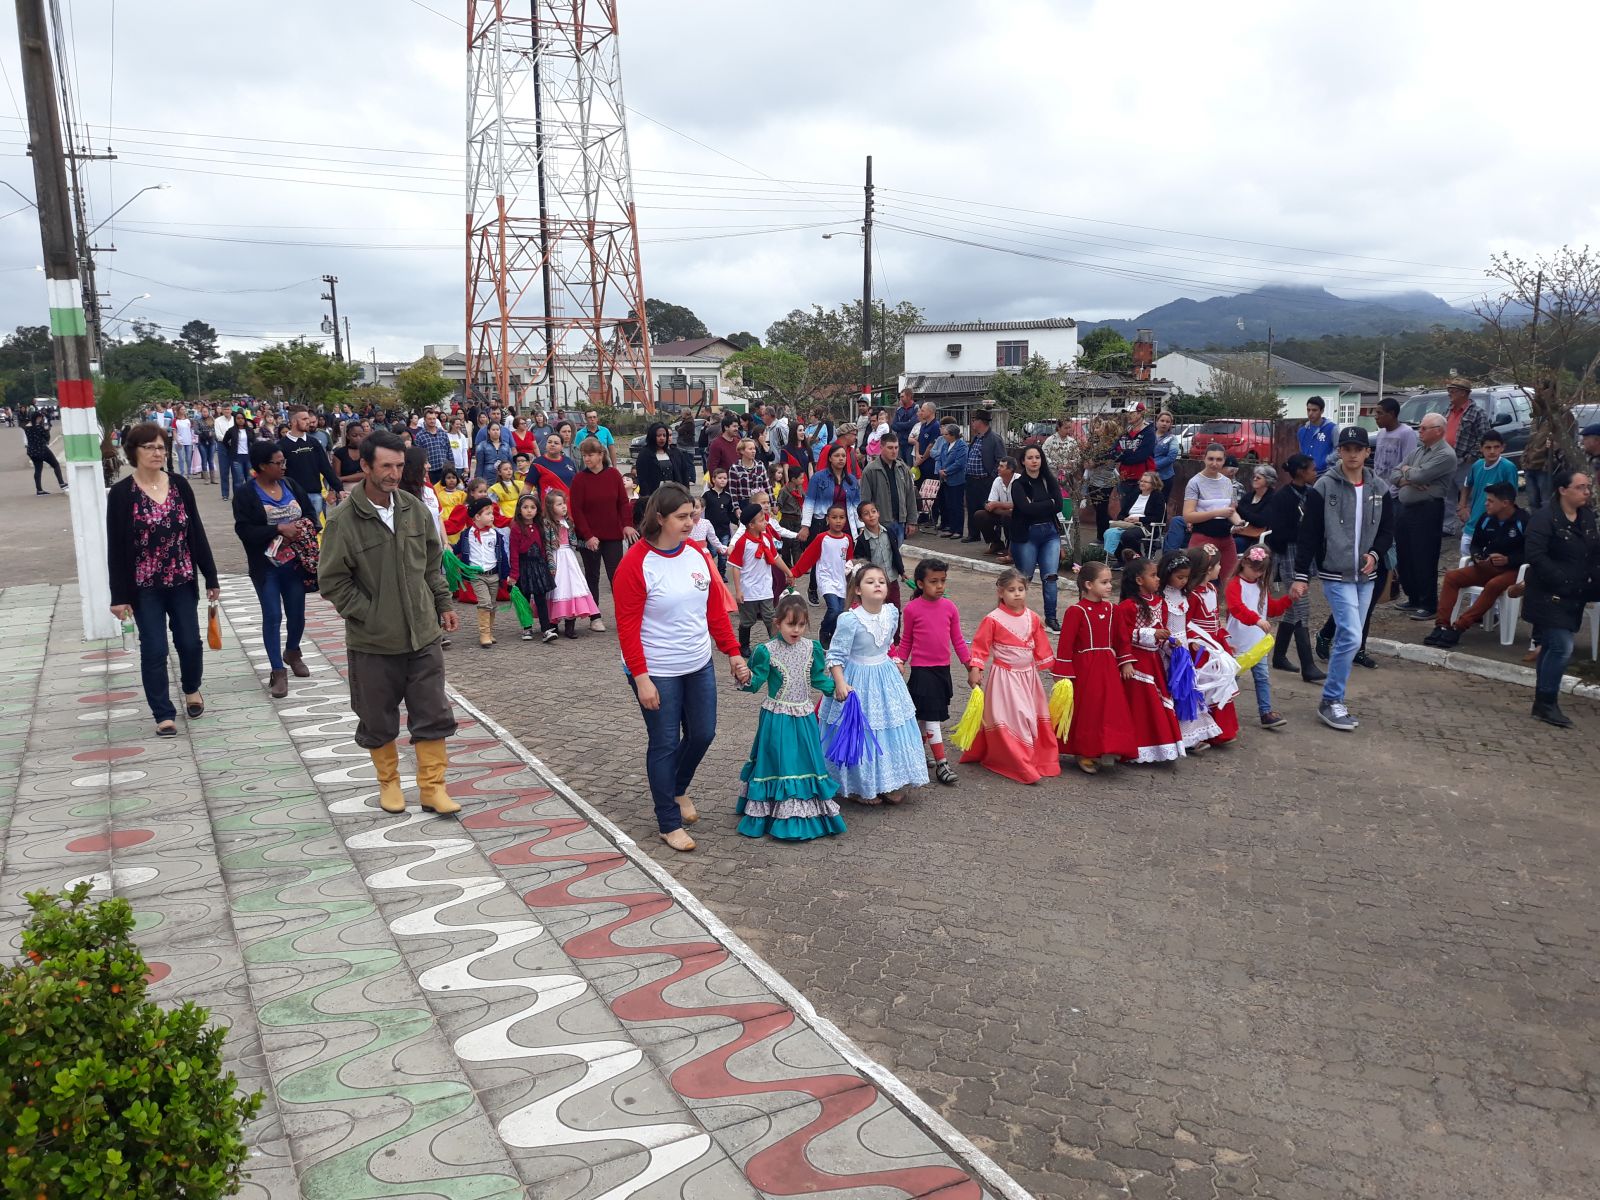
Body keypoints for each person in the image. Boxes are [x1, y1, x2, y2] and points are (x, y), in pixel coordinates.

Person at [318, 429, 462, 817]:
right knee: (377, 717)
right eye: (386, 466)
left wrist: (443, 603)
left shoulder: (414, 509)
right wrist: (368, 612)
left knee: (433, 712)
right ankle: (390, 785)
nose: (394, 474)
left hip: (423, 634)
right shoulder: (344, 520)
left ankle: (433, 788)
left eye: (399, 466)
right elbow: (331, 580)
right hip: (373, 641)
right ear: (365, 466)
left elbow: (432, 563)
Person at [614, 482, 750, 851]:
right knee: (664, 743)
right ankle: (667, 821)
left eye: (693, 515)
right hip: (657, 668)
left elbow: (714, 612)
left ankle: (675, 789)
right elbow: (627, 629)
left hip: (697, 663)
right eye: (682, 517)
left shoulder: (696, 555)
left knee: (703, 733)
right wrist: (641, 679)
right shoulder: (635, 563)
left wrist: (733, 653)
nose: (691, 522)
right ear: (659, 519)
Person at [106, 422, 221, 736]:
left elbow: (195, 532)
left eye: (161, 447)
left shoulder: (180, 485)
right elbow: (115, 548)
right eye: (150, 447)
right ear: (134, 451)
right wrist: (119, 597)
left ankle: (191, 688)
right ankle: (163, 713)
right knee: (154, 648)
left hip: (182, 580)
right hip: (144, 588)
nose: (158, 452)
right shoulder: (121, 494)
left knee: (189, 642)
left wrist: (211, 577)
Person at [1291, 426, 1395, 733]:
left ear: (1367, 452)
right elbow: (1308, 534)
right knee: (1350, 635)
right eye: (1346, 448)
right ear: (1340, 452)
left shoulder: (1380, 488)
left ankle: (1334, 698)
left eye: (1357, 449)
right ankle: (1331, 700)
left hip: (1366, 575)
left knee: (1352, 638)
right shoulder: (1324, 487)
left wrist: (1375, 554)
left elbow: (1388, 530)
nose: (1351, 454)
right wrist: (1300, 574)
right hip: (1335, 573)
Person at [733, 593, 848, 842]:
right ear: (777, 624)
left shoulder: (812, 648)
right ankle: (773, 812)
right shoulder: (767, 651)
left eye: (801, 624)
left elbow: (817, 679)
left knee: (805, 763)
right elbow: (755, 683)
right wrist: (744, 676)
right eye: (790, 624)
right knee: (779, 762)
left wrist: (837, 689)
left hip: (804, 717)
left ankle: (805, 813)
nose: (796, 630)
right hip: (777, 719)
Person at [818, 562, 928, 805]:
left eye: (880, 581)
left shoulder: (891, 612)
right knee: (862, 731)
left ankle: (889, 783)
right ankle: (861, 787)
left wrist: (896, 659)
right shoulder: (849, 619)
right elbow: (835, 656)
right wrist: (839, 683)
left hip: (885, 678)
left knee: (890, 727)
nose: (877, 584)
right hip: (857, 680)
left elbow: (888, 644)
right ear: (858, 590)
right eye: (870, 581)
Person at [233, 441, 317, 698]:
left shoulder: (291, 485)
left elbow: (312, 515)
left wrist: (301, 529)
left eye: (284, 462)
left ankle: (292, 651)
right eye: (278, 463)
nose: (283, 466)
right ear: (261, 466)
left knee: (297, 616)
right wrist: (277, 529)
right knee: (272, 616)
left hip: (295, 564)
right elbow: (243, 530)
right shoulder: (246, 493)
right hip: (266, 566)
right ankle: (277, 671)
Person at [962, 568, 1060, 784]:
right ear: (1000, 592)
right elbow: (980, 647)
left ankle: (1035, 758)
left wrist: (1055, 672)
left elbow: (1042, 647)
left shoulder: (1033, 618)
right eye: (1011, 590)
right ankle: (1019, 764)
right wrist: (976, 669)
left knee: (1030, 716)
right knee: (1015, 717)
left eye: (1021, 589)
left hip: (1029, 678)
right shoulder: (993, 619)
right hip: (1005, 678)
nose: (1017, 594)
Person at [1520, 469, 1597, 728]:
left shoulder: (1586, 517)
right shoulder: (1544, 519)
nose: (1586, 492)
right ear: (1563, 490)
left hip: (1575, 593)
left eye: (1587, 487)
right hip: (1547, 593)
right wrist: (1561, 580)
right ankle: (1547, 703)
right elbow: (1535, 555)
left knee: (1553, 647)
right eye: (1580, 487)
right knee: (1562, 647)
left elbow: (1593, 551)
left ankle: (1541, 702)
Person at [1051, 560, 1138, 773]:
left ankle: (1108, 746)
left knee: (1109, 709)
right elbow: (1066, 645)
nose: (1110, 586)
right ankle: (1085, 751)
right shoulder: (1076, 611)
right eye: (1105, 582)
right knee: (1088, 709)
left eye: (1110, 582)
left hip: (1108, 667)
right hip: (1085, 668)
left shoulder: (1112, 609)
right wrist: (1063, 672)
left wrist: (1125, 661)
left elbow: (1121, 638)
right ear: (1089, 585)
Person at [890, 558, 971, 786]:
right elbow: (906, 640)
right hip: (922, 672)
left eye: (942, 581)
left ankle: (912, 754)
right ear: (919, 583)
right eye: (933, 581)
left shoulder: (950, 607)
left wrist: (970, 666)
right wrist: (899, 661)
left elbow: (958, 640)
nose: (939, 586)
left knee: (923, 719)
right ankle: (942, 763)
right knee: (931, 717)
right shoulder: (912, 609)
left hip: (942, 671)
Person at [1424, 482, 1528, 648]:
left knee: (1493, 585)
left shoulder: (1523, 520)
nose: (1486, 503)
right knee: (1452, 577)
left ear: (1505, 503)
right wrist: (1478, 557)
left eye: (1491, 501)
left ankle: (1460, 626)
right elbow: (1475, 544)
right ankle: (1442, 625)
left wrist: (1509, 560)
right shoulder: (1486, 518)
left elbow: (1532, 552)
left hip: (1513, 570)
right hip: (1488, 566)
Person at [1112, 556, 1185, 764]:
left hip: (1154, 661)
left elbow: (1161, 628)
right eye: (1153, 575)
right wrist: (1127, 659)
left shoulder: (1160, 603)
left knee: (1157, 702)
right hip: (1137, 662)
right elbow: (1121, 635)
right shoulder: (1127, 606)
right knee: (1142, 705)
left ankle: (1158, 746)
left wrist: (1169, 642)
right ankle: (1134, 748)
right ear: (1139, 580)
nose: (1158, 579)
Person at [1265, 454, 1325, 681]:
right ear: (1300, 471)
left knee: (1293, 606)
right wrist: (1304, 533)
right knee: (1301, 607)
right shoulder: (1282, 498)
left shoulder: (1310, 494)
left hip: (1305, 553)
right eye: (1311, 469)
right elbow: (1279, 532)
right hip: (1289, 553)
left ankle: (1279, 656)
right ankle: (1308, 665)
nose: (1314, 473)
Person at [1392, 412, 1457, 618]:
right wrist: (1407, 476)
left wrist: (1408, 473)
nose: (1419, 431)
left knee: (1423, 556)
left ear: (1438, 431)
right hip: (1406, 508)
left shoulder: (1445, 454)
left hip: (1427, 509)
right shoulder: (1419, 451)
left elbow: (1420, 475)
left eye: (1423, 428)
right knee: (1405, 555)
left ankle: (1428, 603)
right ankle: (1413, 597)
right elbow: (1394, 474)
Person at [1156, 550, 1219, 751]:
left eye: (1186, 577)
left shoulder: (1185, 595)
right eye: (1179, 577)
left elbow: (1187, 622)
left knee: (1186, 691)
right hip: (1167, 650)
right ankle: (1173, 735)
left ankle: (1189, 736)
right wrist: (1168, 645)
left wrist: (1192, 641)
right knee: (1170, 690)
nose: (1183, 581)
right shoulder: (1161, 597)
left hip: (1182, 649)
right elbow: (1161, 625)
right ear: (1167, 574)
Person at [1225, 545, 1291, 730]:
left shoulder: (1261, 585)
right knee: (1232, 679)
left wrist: (1289, 598)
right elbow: (1237, 608)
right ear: (1244, 563)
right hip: (1237, 642)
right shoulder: (1234, 584)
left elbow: (1272, 609)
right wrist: (1256, 620)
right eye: (1255, 570)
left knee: (1262, 677)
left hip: (1257, 642)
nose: (1257, 574)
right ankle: (1222, 711)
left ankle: (1265, 712)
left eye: (1261, 571)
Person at [1183, 543, 1240, 747]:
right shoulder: (1193, 594)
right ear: (1207, 569)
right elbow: (1185, 621)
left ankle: (1221, 730)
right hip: (1200, 650)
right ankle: (1203, 731)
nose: (1220, 568)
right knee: (1205, 685)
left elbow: (1214, 620)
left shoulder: (1211, 590)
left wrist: (1222, 640)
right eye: (1217, 565)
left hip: (1213, 646)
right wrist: (1192, 640)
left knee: (1220, 685)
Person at [569, 435, 636, 606]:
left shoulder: (614, 475)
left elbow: (622, 502)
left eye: (590, 455)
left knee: (617, 575)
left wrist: (627, 524)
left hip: (612, 535)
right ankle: (594, 615)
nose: (587, 459)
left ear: (600, 455)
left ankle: (623, 612)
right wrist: (588, 535)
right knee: (592, 575)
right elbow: (577, 510)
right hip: (589, 537)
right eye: (584, 455)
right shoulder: (579, 479)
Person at [1006, 445, 1066, 630]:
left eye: (1037, 457)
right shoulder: (1018, 484)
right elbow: (1025, 508)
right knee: (1024, 578)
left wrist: (1040, 505)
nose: (1034, 461)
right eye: (1030, 457)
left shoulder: (1049, 480)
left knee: (1050, 576)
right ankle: (1017, 614)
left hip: (1049, 534)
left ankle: (1051, 617)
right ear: (1023, 461)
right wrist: (1048, 503)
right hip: (1027, 535)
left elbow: (1059, 506)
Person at [730, 501, 791, 654]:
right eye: (761, 520)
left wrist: (788, 572)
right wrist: (738, 591)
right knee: (747, 620)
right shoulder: (742, 543)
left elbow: (776, 558)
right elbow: (735, 568)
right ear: (751, 525)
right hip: (749, 589)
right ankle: (743, 645)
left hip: (765, 588)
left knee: (770, 617)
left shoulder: (766, 539)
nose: (765, 522)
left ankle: (776, 644)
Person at [540, 489, 601, 638]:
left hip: (569, 557)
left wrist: (586, 544)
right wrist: (549, 562)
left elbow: (573, 541)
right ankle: (553, 624)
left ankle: (570, 624)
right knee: (557, 588)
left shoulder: (568, 522)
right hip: (555, 556)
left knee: (572, 587)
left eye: (564, 504)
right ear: (550, 507)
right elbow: (546, 544)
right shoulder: (547, 524)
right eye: (559, 504)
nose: (563, 507)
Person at [1183, 442, 1245, 581]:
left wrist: (1239, 522)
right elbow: (1188, 515)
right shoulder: (1195, 482)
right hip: (1203, 537)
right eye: (1211, 459)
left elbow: (1231, 510)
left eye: (1219, 459)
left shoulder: (1227, 482)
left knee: (1230, 581)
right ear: (1204, 459)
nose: (1214, 463)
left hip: (1226, 538)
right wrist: (1216, 513)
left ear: (1224, 461)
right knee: (1198, 580)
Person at [1457, 430, 1519, 557]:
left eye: (1496, 447)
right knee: (1465, 561)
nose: (1492, 451)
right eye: (1488, 447)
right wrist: (1462, 506)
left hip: (1493, 526)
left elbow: (1511, 497)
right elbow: (1467, 484)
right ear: (1481, 449)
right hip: (1472, 524)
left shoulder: (1508, 468)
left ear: (1503, 447)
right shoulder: (1477, 465)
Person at [1441, 380, 1489, 539]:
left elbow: (1484, 437)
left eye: (1453, 390)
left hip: (1465, 461)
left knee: (1468, 494)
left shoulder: (1477, 413)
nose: (1449, 393)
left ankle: (1472, 527)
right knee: (1448, 495)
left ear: (1463, 393)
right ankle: (1447, 526)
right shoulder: (1448, 410)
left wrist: (1472, 456)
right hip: (1448, 460)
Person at [278, 406, 343, 525]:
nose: (308, 422)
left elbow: (325, 467)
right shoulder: (281, 445)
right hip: (292, 497)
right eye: (304, 419)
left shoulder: (314, 443)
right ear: (293, 421)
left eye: (308, 418)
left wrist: (338, 488)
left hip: (315, 494)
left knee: (314, 530)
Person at [456, 496, 507, 647]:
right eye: (488, 513)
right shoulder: (467, 535)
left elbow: (502, 555)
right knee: (484, 602)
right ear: (477, 517)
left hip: (493, 575)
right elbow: (457, 548)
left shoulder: (496, 535)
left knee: (491, 604)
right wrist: (448, 549)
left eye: (492, 513)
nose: (492, 516)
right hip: (477, 576)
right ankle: (484, 634)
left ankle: (490, 631)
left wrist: (506, 574)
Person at [509, 493, 558, 644]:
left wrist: (547, 565)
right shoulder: (516, 528)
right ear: (519, 509)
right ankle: (527, 627)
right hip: (524, 567)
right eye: (525, 507)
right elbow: (514, 552)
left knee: (541, 599)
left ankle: (546, 629)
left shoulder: (539, 526)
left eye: (532, 507)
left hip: (538, 567)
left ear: (537, 510)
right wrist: (514, 574)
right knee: (524, 599)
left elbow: (543, 548)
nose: (529, 511)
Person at [859, 430, 918, 542]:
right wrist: (866, 523)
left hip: (900, 521)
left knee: (896, 556)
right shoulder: (870, 470)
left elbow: (910, 496)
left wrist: (911, 521)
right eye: (890, 448)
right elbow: (865, 500)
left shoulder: (903, 468)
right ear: (881, 447)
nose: (894, 451)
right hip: (880, 522)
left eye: (896, 447)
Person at [800, 445, 863, 542]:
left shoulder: (852, 480)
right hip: (823, 524)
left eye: (843, 456)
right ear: (830, 458)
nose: (841, 458)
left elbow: (856, 506)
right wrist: (805, 526)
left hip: (846, 525)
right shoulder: (818, 477)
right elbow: (809, 503)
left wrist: (861, 526)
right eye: (837, 456)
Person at [961, 410, 1005, 544]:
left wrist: (992, 476)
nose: (972, 423)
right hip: (972, 479)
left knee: (988, 508)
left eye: (974, 420)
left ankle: (994, 538)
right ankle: (973, 534)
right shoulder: (976, 437)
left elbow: (1001, 459)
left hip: (986, 480)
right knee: (972, 507)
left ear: (980, 421)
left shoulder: (994, 439)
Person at [1103, 470, 1165, 561]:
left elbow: (1158, 517)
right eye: (1141, 481)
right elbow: (1121, 514)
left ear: (1154, 484)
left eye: (1145, 482)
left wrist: (1139, 519)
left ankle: (1138, 559)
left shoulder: (1157, 496)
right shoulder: (1134, 495)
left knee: (1128, 535)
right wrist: (1125, 518)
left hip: (1145, 526)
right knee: (1109, 533)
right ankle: (1121, 559)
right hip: (1127, 524)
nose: (1142, 483)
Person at [854, 501, 905, 611]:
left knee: (895, 610)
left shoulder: (889, 532)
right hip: (875, 583)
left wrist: (902, 571)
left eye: (873, 511)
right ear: (860, 519)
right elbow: (860, 564)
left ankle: (895, 629)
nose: (871, 515)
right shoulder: (862, 541)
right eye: (866, 514)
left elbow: (895, 553)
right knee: (877, 610)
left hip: (892, 579)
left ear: (878, 513)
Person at [634, 421, 693, 503]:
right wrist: (647, 498)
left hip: (674, 494)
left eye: (664, 435)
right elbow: (643, 479)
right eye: (658, 435)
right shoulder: (645, 454)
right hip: (655, 496)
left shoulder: (676, 453)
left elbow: (684, 474)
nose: (662, 438)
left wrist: (686, 494)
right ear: (652, 436)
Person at [1113, 406, 1157, 514]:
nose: (1128, 415)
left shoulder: (1149, 432)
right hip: (1124, 478)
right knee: (1124, 510)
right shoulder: (1124, 432)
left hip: (1143, 478)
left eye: (1132, 413)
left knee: (1139, 511)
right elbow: (1114, 452)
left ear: (1140, 413)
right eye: (1127, 413)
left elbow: (1141, 455)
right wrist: (1128, 454)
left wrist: (1124, 456)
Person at [975, 456, 1017, 559]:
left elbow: (1020, 504)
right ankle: (996, 543)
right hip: (1003, 513)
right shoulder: (998, 480)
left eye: (1002, 466)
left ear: (1010, 469)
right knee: (980, 515)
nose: (998, 468)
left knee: (1009, 517)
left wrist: (997, 504)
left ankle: (1010, 548)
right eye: (999, 465)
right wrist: (1000, 508)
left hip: (1018, 515)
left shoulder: (1019, 480)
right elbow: (990, 503)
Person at [1233, 463, 1276, 556]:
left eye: (1258, 477)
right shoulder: (1249, 496)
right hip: (1240, 532)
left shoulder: (1273, 498)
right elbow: (1236, 513)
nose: (1254, 479)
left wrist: (1239, 508)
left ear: (1268, 481)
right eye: (1254, 477)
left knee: (1234, 543)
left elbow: (1261, 521)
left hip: (1258, 538)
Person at [934, 421, 967, 539]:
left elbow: (960, 463)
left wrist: (946, 471)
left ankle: (958, 530)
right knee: (948, 504)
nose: (944, 435)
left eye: (946, 434)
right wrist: (940, 470)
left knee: (957, 505)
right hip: (945, 479)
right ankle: (950, 527)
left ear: (953, 435)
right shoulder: (945, 445)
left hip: (956, 480)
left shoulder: (962, 446)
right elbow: (939, 458)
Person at [24, 412, 68, 495]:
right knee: (56, 465)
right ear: (37, 418)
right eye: (40, 418)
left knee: (38, 470)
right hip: (42, 449)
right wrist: (46, 429)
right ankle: (62, 483)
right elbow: (47, 437)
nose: (41, 420)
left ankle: (39, 490)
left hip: (32, 451)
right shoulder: (39, 427)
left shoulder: (27, 427)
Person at [1296, 396, 1338, 474]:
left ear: (1322, 411)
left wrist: (1327, 460)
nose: (1310, 413)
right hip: (1307, 475)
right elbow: (1302, 451)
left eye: (1314, 410)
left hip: (1325, 473)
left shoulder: (1332, 428)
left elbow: (1339, 450)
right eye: (1308, 410)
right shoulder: (1302, 431)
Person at [414, 408, 453, 483]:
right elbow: (419, 455)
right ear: (425, 420)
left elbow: (449, 451)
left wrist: (451, 466)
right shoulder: (420, 436)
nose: (432, 421)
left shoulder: (443, 433)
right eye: (429, 419)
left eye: (434, 418)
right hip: (430, 472)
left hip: (444, 470)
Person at [727, 437, 767, 507]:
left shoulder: (760, 465)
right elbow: (733, 491)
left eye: (754, 448)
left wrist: (773, 503)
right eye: (750, 449)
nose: (753, 451)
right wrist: (736, 507)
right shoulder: (734, 468)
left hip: (758, 503)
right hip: (743, 503)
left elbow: (767, 486)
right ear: (742, 451)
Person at [1152, 411, 1181, 502]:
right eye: (1162, 420)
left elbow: (1171, 457)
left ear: (1171, 424)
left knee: (1162, 503)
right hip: (1148, 476)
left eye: (1167, 422)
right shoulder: (1149, 436)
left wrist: (1153, 466)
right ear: (1156, 421)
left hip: (1165, 477)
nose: (1164, 423)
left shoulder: (1172, 438)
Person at [704, 413, 742, 478]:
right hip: (723, 482)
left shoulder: (738, 441)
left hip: (737, 481)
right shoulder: (716, 443)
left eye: (737, 426)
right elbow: (712, 465)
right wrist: (714, 481)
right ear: (726, 427)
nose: (737, 429)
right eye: (734, 426)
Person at [172, 405, 197, 478]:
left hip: (188, 441)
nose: (183, 411)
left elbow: (191, 429)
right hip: (180, 441)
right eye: (182, 409)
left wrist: (193, 439)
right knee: (181, 458)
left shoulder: (188, 419)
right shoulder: (175, 420)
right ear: (178, 410)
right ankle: (182, 473)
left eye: (184, 409)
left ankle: (189, 473)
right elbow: (174, 431)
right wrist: (177, 440)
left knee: (188, 458)